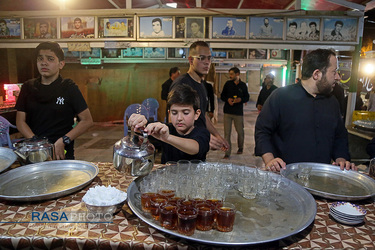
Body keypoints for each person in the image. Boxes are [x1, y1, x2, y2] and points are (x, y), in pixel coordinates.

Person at [255, 48, 356, 172]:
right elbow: (262, 131)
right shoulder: (281, 97)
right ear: (316, 74)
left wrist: (341, 159)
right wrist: (270, 160)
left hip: (320, 177)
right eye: (334, 72)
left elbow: (339, 136)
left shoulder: (332, 102)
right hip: (286, 177)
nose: (338, 77)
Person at [15, 42, 93, 160]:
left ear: (61, 64)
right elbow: (20, 121)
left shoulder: (69, 87)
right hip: (35, 151)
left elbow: (87, 120)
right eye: (40, 59)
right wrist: (38, 144)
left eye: (50, 59)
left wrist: (64, 140)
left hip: (61, 151)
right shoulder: (28, 87)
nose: (44, 62)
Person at [129, 84, 210, 164]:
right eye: (174, 113)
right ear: (169, 113)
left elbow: (195, 148)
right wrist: (139, 123)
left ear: (197, 114)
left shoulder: (202, 132)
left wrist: (167, 138)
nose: (179, 118)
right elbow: (145, 128)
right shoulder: (166, 129)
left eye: (185, 113)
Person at [170, 41, 229, 151]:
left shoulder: (201, 85)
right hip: (181, 152)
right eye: (201, 58)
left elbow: (202, 115)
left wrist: (216, 135)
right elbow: (175, 121)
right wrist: (204, 137)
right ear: (191, 60)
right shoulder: (182, 84)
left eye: (209, 58)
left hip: (197, 148)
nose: (207, 62)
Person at [220, 67, 249, 159]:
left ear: (237, 74)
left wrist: (241, 100)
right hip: (227, 112)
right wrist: (227, 99)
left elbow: (247, 97)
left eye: (232, 74)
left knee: (240, 132)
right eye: (230, 74)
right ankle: (227, 153)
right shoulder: (228, 84)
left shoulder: (243, 85)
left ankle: (240, 147)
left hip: (238, 113)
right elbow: (222, 95)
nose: (230, 76)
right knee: (227, 133)